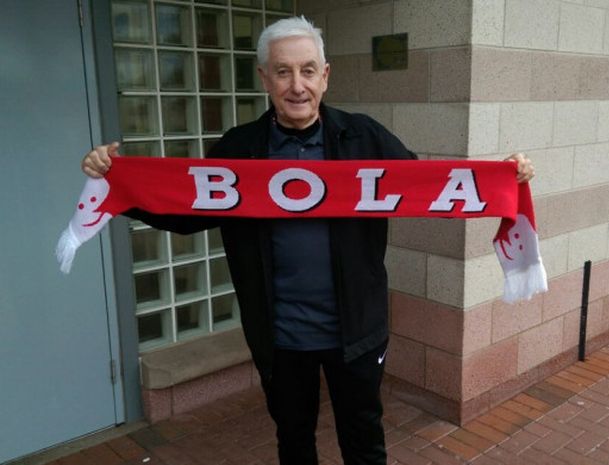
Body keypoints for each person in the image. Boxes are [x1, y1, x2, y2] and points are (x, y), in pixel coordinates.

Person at [83, 16, 534, 465]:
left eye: (307, 70)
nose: (297, 85)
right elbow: (184, 214)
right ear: (264, 78)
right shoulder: (238, 149)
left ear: (325, 75)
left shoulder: (364, 136)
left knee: (363, 441)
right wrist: (116, 186)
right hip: (280, 338)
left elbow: (430, 185)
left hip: (357, 332)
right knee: (294, 441)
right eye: (283, 71)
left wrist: (503, 179)